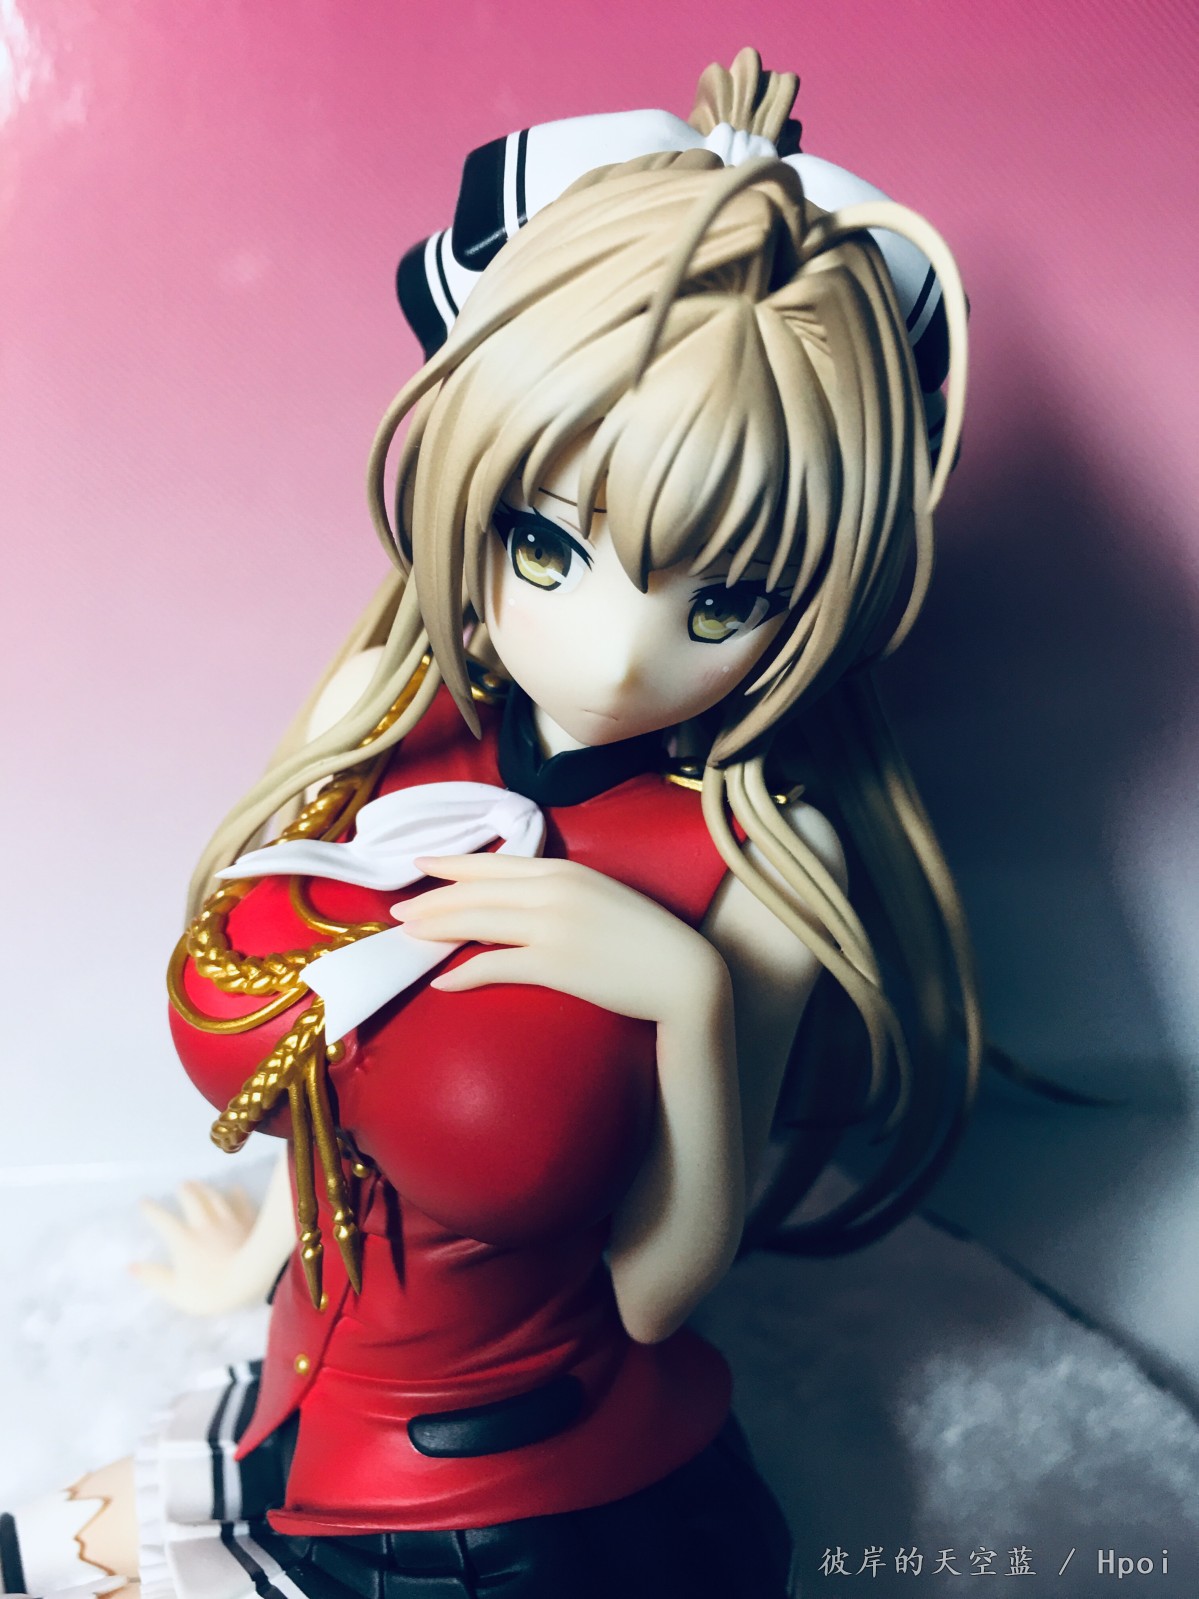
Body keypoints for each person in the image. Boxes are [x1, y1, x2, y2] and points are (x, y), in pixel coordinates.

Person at [0, 47, 975, 1599]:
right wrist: (249, 1263)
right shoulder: (390, 725)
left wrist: (683, 996)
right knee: (36, 1554)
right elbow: (331, 1077)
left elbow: (658, 1293)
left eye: (722, 598)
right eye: (547, 545)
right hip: (306, 1406)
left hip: (523, 1501)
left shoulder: (754, 871)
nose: (617, 655)